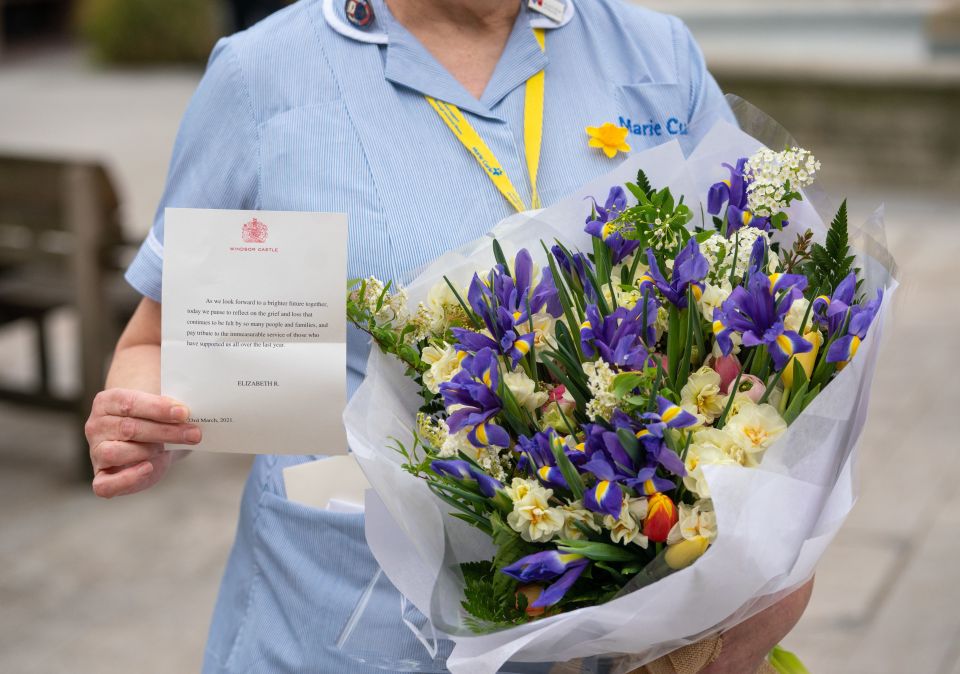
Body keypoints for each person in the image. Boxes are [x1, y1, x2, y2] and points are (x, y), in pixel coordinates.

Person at [84, 1, 812, 672]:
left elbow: (771, 299)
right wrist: (145, 418)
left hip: (611, 625)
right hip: (343, 620)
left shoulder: (655, 53)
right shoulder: (263, 76)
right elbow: (155, 341)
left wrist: (767, 553)